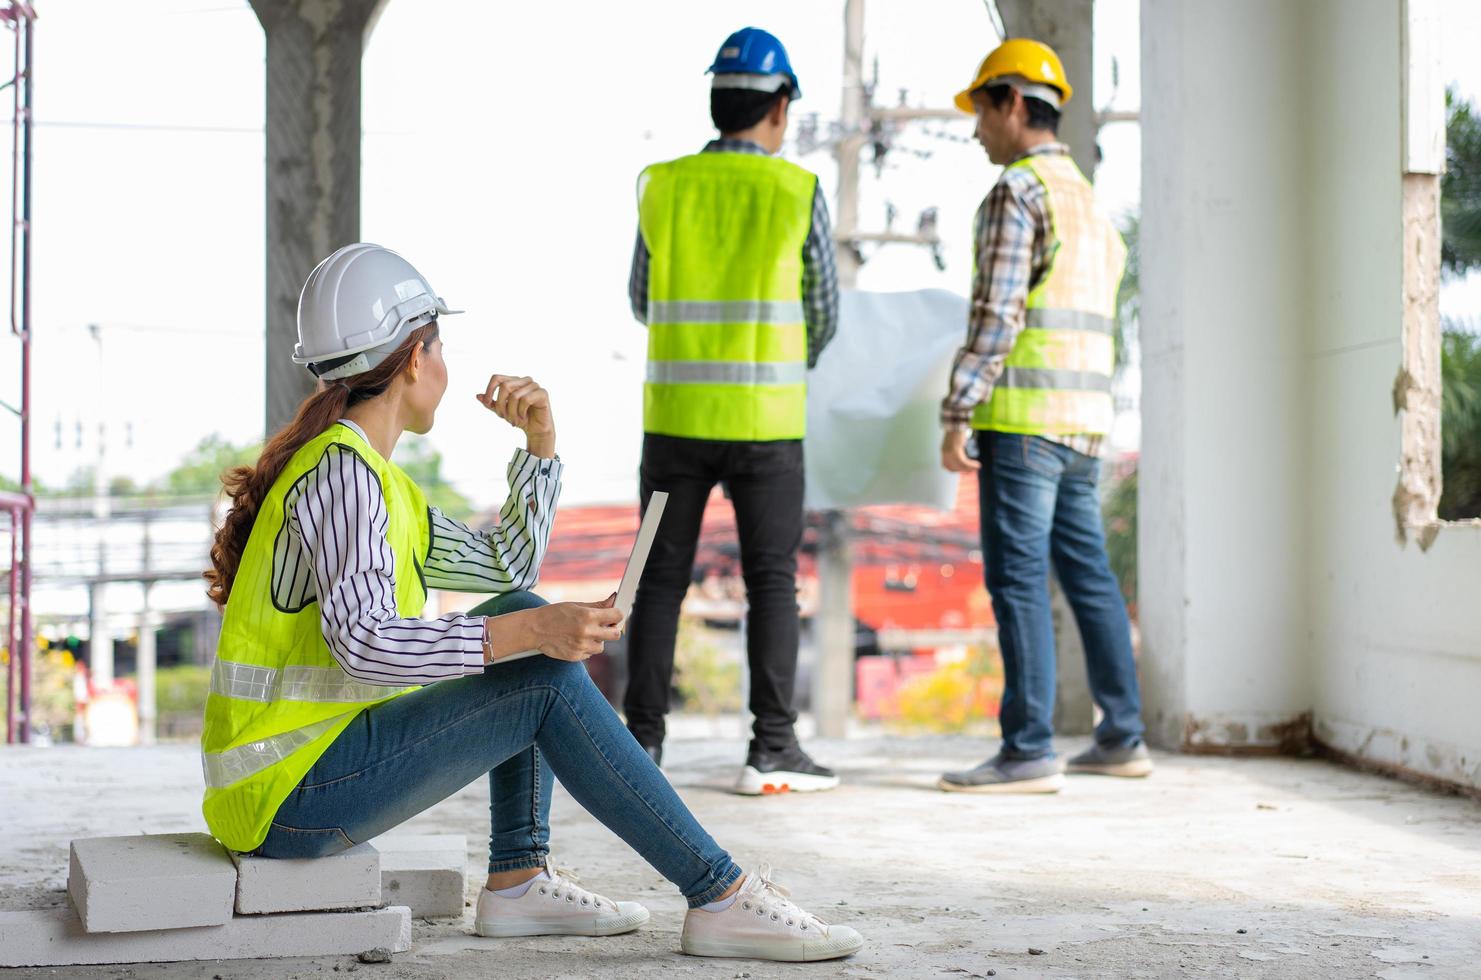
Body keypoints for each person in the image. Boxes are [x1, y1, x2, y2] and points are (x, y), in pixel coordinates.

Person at [199, 243, 863, 962]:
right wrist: (529, 633)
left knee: (520, 608)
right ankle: (718, 894)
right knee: (539, 669)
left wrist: (539, 448)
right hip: (289, 798)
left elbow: (504, 565)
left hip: (302, 777)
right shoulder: (343, 475)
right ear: (417, 357)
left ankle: (519, 879)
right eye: (441, 347)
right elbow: (364, 643)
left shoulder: (372, 479)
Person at [625, 27, 841, 795]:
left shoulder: (662, 184)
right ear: (779, 106)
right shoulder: (798, 191)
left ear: (717, 100)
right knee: (771, 582)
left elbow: (641, 299)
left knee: (657, 582)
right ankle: (771, 750)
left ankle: (639, 745)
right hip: (767, 427)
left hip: (673, 420)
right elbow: (822, 311)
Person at [936, 40, 1153, 793]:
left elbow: (996, 318)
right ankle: (1122, 735)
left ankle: (1027, 748)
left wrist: (956, 409)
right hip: (1085, 423)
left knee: (1019, 580)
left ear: (1016, 104)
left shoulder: (1016, 194)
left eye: (982, 112)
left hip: (1024, 422)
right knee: (1087, 575)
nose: (976, 132)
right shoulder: (1089, 204)